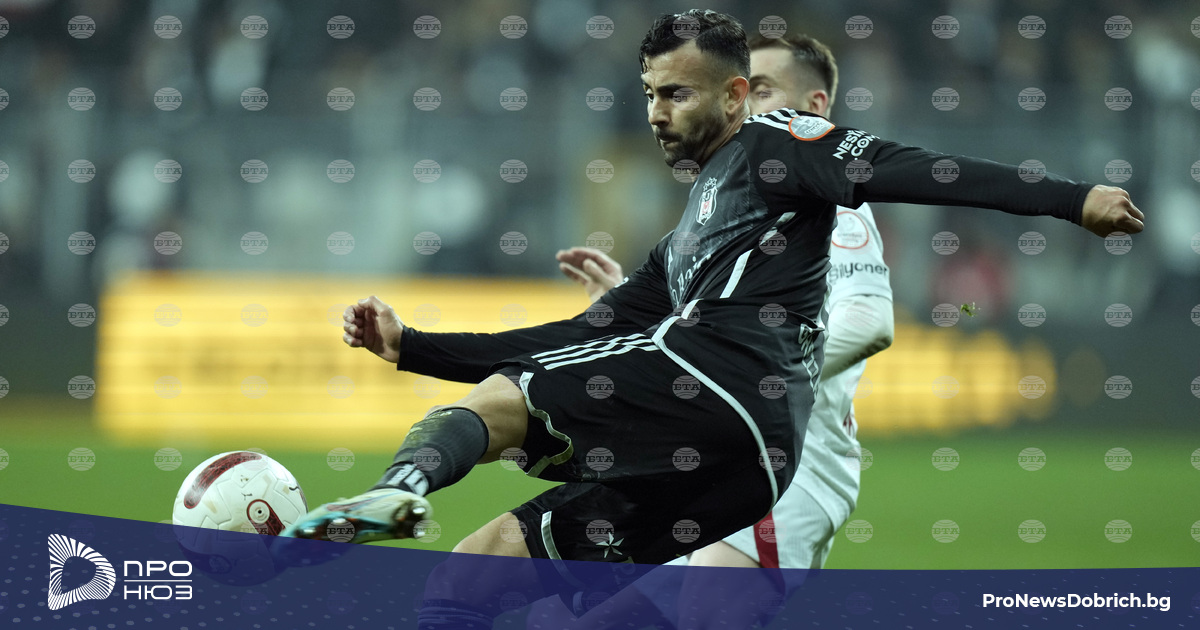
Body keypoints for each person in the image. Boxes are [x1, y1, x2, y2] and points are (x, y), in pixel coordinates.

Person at [284, 7, 1140, 586]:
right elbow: (572, 336)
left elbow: (917, 169)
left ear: (736, 96)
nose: (657, 113)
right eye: (650, 95)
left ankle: (398, 490)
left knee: (506, 402)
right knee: (477, 574)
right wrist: (413, 347)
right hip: (737, 469)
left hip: (722, 390)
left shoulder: (779, 142)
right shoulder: (690, 231)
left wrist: (1072, 200)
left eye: (676, 94)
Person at [556, 32, 891, 574]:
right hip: (717, 461)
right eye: (738, 91)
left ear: (814, 106)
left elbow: (870, 320)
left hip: (784, 466)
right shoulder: (735, 206)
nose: (744, 105)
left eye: (763, 90)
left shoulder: (829, 204)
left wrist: (755, 375)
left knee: (694, 609)